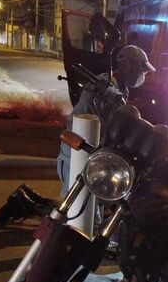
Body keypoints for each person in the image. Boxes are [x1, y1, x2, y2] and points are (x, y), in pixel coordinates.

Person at [56, 44, 155, 196]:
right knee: (77, 210)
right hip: (76, 152)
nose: (143, 74)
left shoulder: (120, 89)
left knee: (88, 210)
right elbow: (107, 115)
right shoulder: (104, 86)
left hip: (90, 154)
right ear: (127, 64)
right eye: (141, 68)